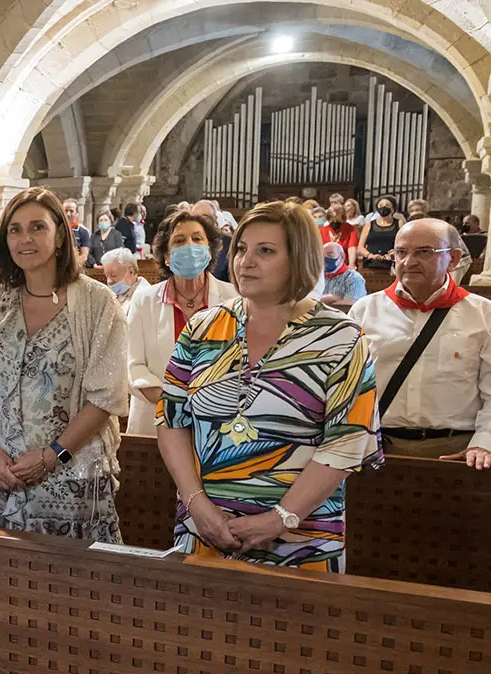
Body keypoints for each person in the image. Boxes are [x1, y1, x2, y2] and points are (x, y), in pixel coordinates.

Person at [158, 200, 382, 573]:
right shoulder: (202, 328)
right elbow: (170, 419)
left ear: (299, 259)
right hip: (206, 531)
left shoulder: (341, 337)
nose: (246, 261)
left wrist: (280, 518)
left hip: (301, 540)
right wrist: (196, 503)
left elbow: (346, 442)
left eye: (265, 251)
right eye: (242, 249)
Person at [0, 188, 129, 538]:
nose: (26, 238)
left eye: (38, 227)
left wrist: (52, 455)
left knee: (69, 586)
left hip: (68, 479)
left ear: (59, 237)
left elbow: (105, 396)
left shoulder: (97, 303)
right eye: (15, 229)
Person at [350, 219, 491, 466]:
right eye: (401, 252)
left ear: (454, 259)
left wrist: (484, 442)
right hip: (377, 447)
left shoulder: (483, 314)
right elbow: (348, 385)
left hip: (456, 450)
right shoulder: (365, 311)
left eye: (424, 252)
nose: (409, 262)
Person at [126, 211, 237, 436]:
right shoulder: (144, 299)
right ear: (167, 256)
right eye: (179, 241)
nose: (189, 245)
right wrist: (176, 404)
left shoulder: (234, 299)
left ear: (209, 249)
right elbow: (132, 364)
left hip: (218, 425)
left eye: (197, 239)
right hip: (156, 420)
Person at [100, 247, 147, 313]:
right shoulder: (111, 296)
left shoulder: (144, 297)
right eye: (106, 276)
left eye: (114, 275)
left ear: (131, 272)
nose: (109, 281)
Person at [360, 195, 402, 268]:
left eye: (387, 205)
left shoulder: (399, 223)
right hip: (370, 262)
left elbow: (403, 244)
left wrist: (392, 254)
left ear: (392, 209)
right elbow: (360, 248)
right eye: (381, 205)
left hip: (392, 263)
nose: (383, 207)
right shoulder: (369, 224)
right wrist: (371, 255)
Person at [62, 198, 91, 264]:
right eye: (65, 211)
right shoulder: (55, 229)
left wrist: (73, 267)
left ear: (77, 214)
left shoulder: (83, 232)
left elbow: (84, 256)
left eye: (71, 211)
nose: (68, 214)